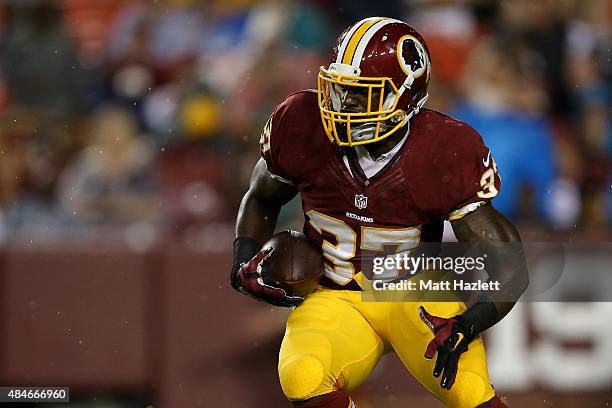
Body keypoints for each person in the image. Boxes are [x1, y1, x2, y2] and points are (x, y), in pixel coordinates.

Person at [230, 17, 528, 408]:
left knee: (469, 392)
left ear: (405, 96)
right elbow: (261, 197)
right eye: (340, 90)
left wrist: (468, 323)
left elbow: (509, 266)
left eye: (361, 93)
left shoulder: (442, 148)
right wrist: (242, 260)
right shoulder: (302, 124)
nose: (342, 104)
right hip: (335, 296)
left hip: (413, 293)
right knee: (302, 375)